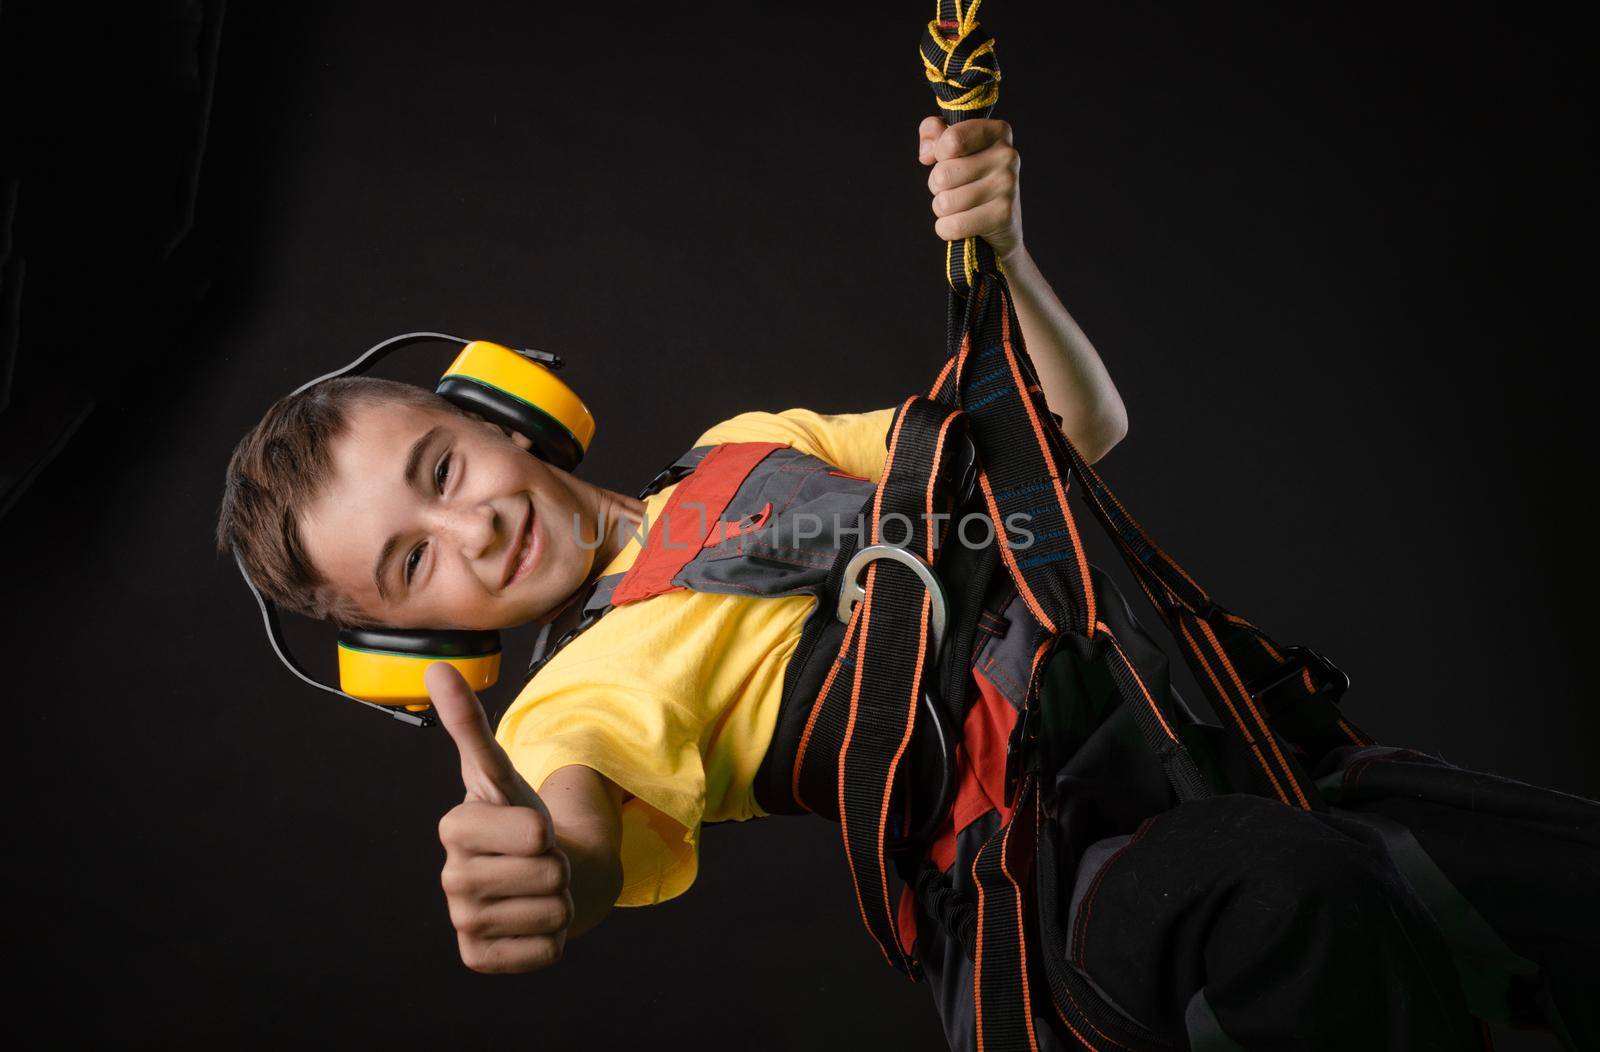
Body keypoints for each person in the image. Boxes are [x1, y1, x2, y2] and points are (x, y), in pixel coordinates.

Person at [216, 118, 1598, 1049]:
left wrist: (1000, 253)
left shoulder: (752, 448)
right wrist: (548, 875)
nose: (471, 535)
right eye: (412, 566)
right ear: (409, 639)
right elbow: (571, 831)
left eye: (442, 474)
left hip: (1220, 757)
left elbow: (1067, 427)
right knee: (1284, 898)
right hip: (1076, 893)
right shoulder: (567, 708)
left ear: (498, 414)